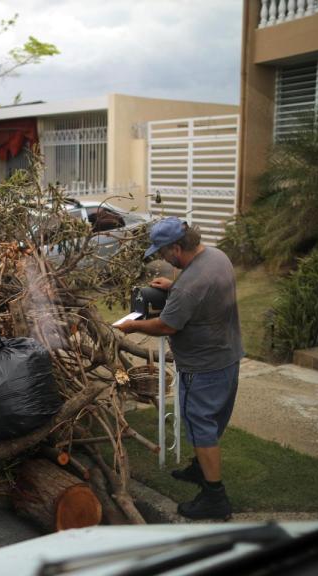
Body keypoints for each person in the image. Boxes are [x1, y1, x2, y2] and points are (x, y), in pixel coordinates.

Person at [115, 217, 243, 520]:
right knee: (211, 422)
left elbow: (166, 324)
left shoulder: (190, 286)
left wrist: (132, 325)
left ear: (176, 247)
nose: (161, 258)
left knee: (201, 426)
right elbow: (203, 295)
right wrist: (175, 287)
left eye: (161, 252)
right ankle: (200, 470)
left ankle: (215, 498)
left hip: (203, 367)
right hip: (228, 357)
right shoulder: (216, 257)